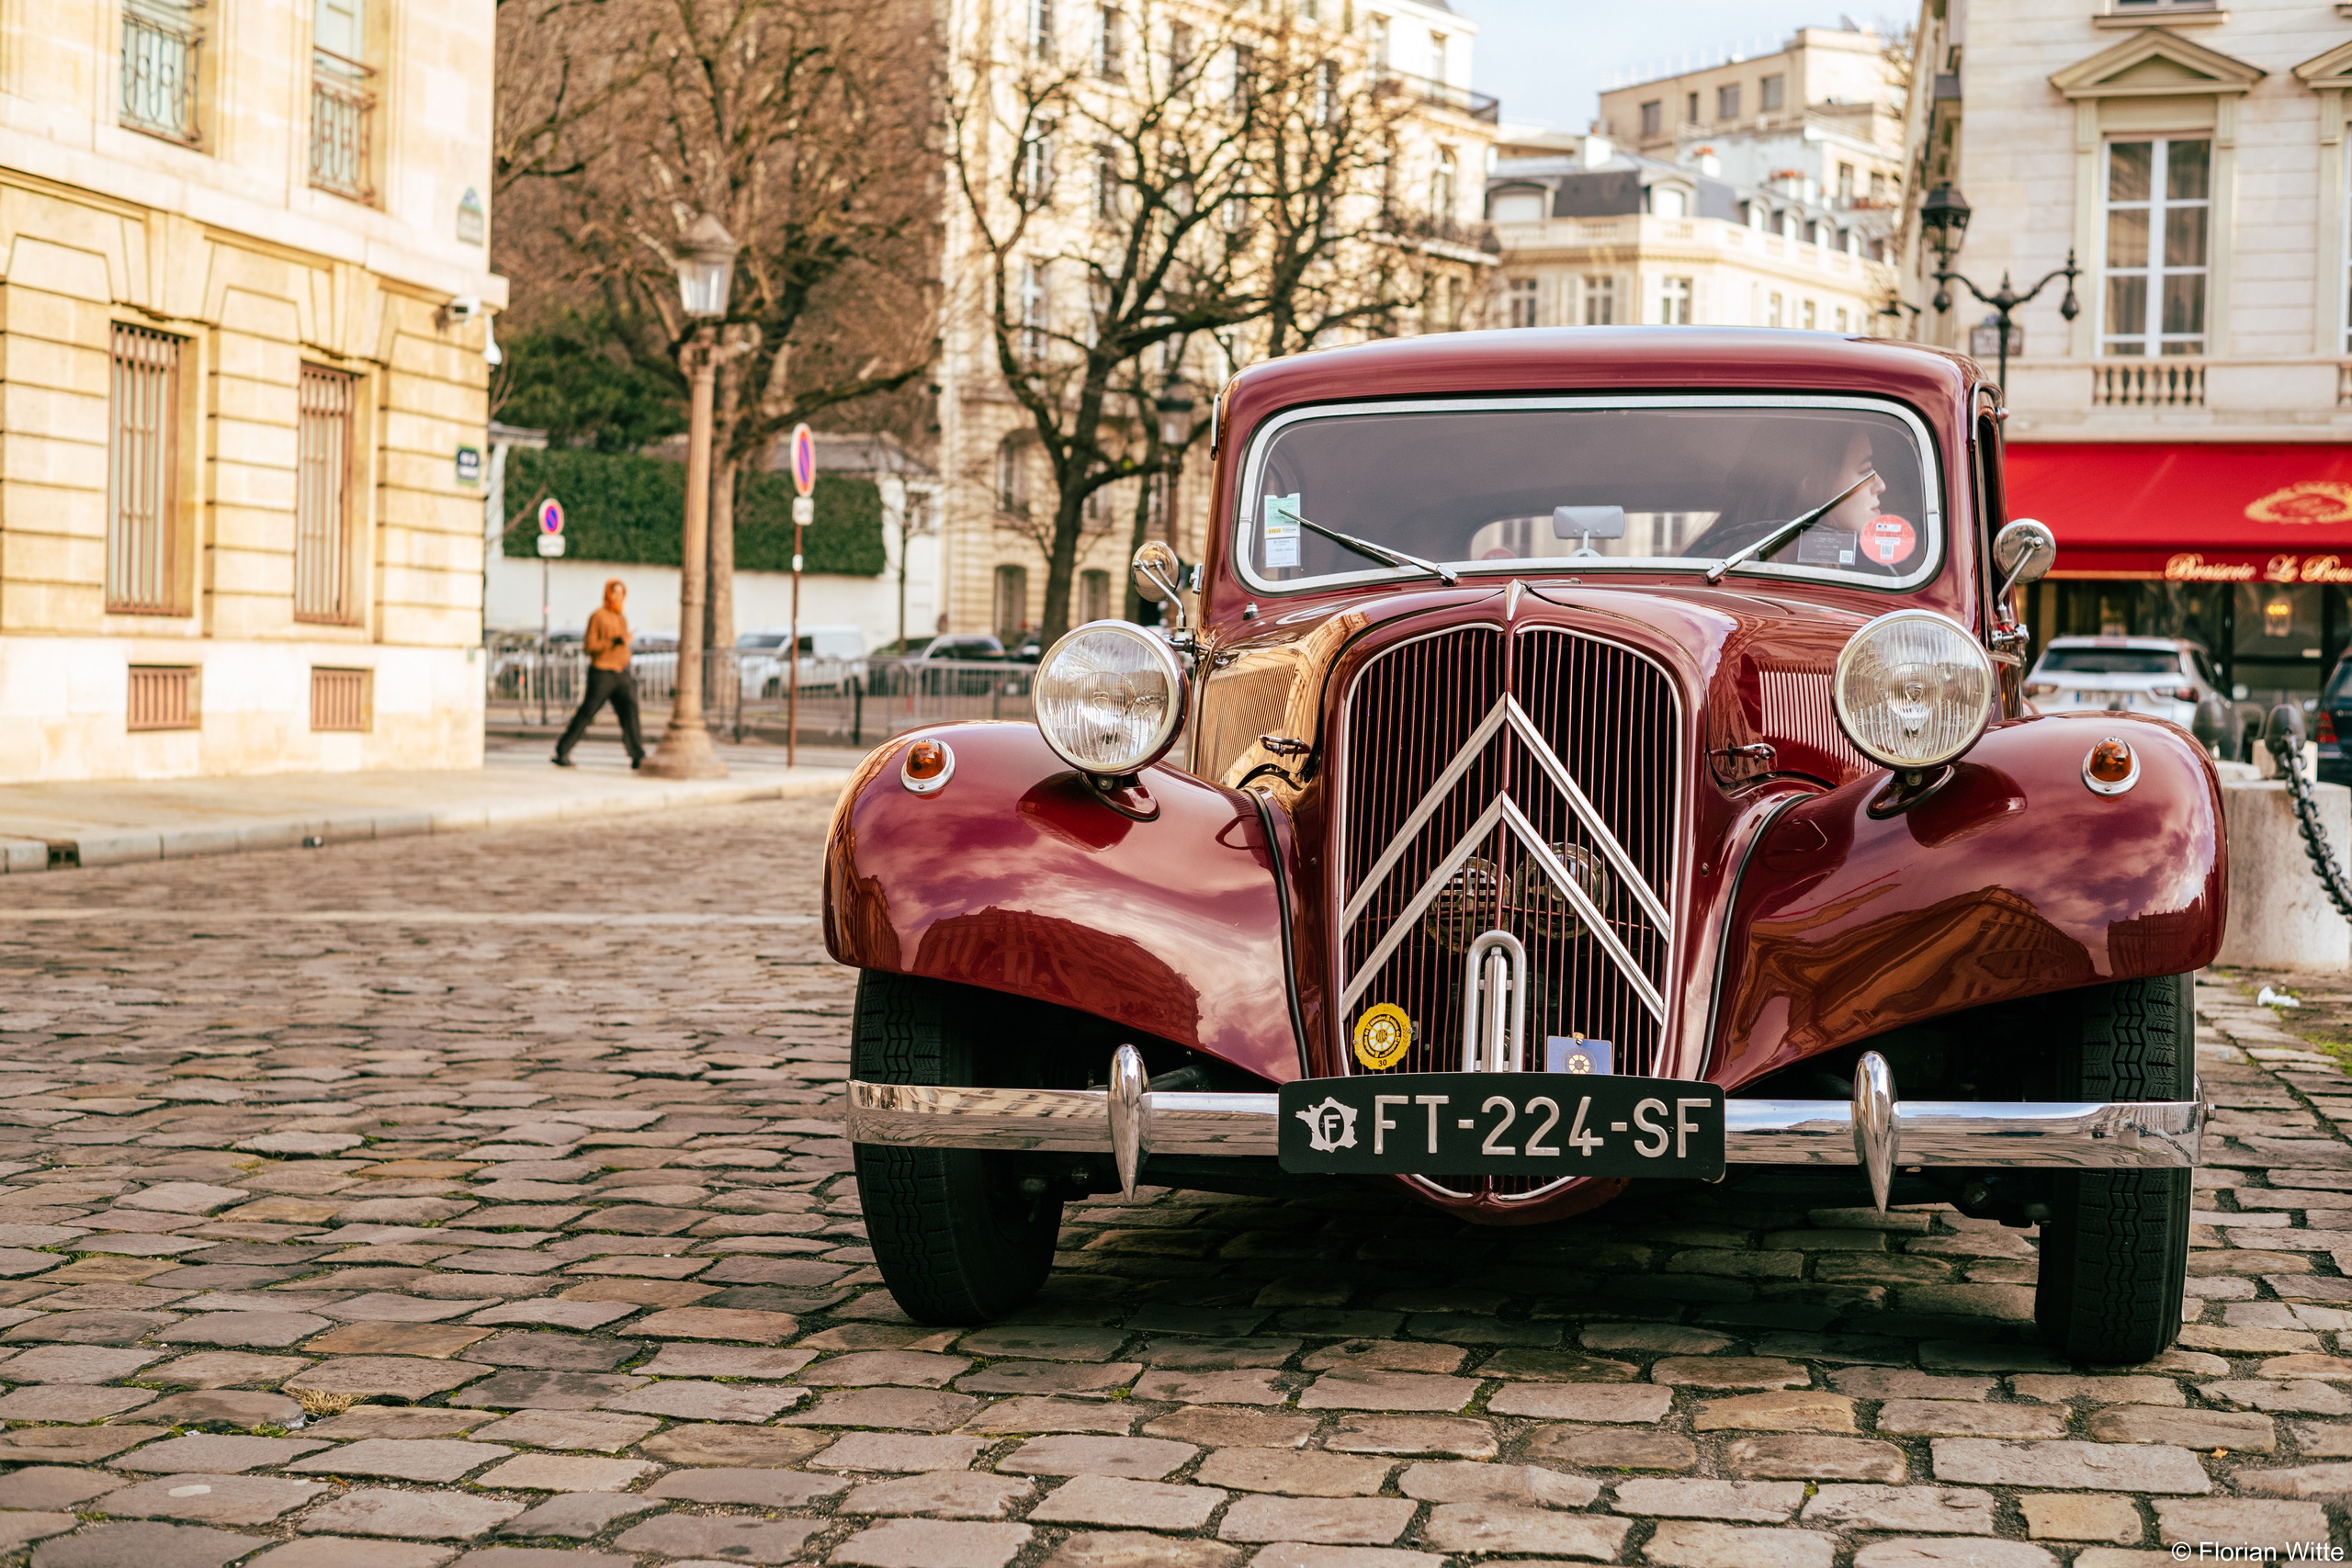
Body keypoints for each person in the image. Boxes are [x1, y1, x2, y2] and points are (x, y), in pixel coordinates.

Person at [552, 579, 646, 769]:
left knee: (630, 711)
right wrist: (614, 642)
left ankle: (638, 756)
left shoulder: (621, 617)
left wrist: (624, 646)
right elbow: (590, 646)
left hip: (621, 672)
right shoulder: (598, 616)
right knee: (588, 712)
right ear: (607, 594)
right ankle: (562, 751)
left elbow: (622, 644)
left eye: (621, 593)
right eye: (615, 593)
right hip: (602, 672)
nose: (618, 597)